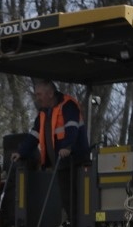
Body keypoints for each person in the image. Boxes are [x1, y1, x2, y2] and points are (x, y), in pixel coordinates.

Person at [10, 79, 89, 211]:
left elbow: (72, 128)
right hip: (60, 165)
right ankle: (70, 226)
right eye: (36, 95)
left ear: (50, 93)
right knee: (66, 201)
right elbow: (34, 135)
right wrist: (21, 152)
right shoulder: (43, 113)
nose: (37, 98)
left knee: (76, 201)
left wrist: (67, 147)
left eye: (39, 94)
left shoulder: (68, 105)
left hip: (75, 162)